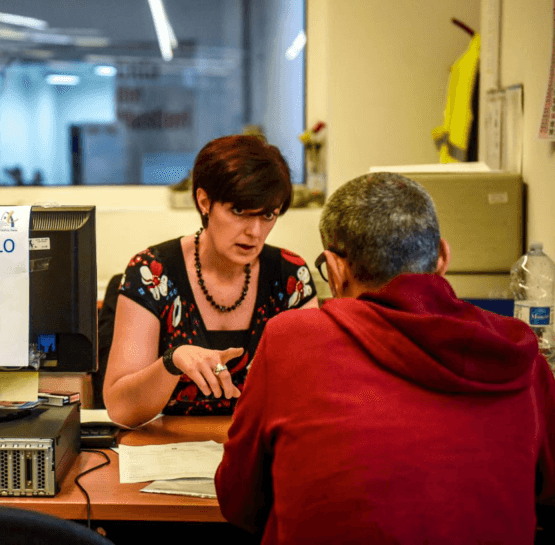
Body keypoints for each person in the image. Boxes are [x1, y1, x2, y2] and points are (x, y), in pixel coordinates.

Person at [215, 172, 555, 544]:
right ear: (442, 258)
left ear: (334, 269)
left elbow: (239, 501)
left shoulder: (290, 339)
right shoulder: (522, 357)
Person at [103, 134, 318, 427]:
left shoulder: (291, 277)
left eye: (268, 215)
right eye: (239, 212)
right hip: (169, 449)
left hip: (257, 449)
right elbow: (121, 410)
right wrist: (172, 361)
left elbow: (315, 393)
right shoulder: (151, 273)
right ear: (204, 201)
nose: (255, 231)